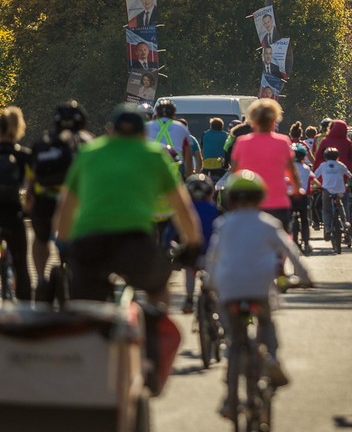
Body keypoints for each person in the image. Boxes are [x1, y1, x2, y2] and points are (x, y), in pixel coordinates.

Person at [54, 103, 203, 306]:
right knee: (158, 290)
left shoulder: (88, 153)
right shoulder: (154, 155)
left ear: (110, 131)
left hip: (89, 240)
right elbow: (182, 208)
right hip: (134, 241)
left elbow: (66, 206)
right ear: (143, 133)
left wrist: (63, 244)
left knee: (84, 305)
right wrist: (193, 244)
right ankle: (155, 323)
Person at [206, 170, 313, 417]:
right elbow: (291, 251)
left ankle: (230, 398)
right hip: (259, 289)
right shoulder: (268, 224)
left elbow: (213, 258)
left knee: (234, 341)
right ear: (260, 197)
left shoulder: (223, 225)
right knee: (266, 323)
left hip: (230, 290)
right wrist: (305, 277)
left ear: (231, 198)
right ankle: (271, 358)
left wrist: (210, 284)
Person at [26, 101, 93, 295]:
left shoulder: (43, 142)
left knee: (40, 239)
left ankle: (40, 279)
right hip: (77, 203)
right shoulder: (89, 142)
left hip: (45, 199)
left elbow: (32, 174)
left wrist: (29, 197)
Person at [230, 98, 300, 231]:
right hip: (278, 204)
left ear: (253, 121)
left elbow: (234, 172)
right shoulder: (283, 142)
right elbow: (291, 171)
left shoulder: (242, 142)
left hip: (249, 205)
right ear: (274, 120)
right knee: (281, 240)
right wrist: (297, 189)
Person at [0, 107, 32, 302]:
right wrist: (28, 209)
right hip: (13, 214)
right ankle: (25, 305)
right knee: (21, 265)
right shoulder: (24, 156)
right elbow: (33, 188)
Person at [179, 174, 220, 314]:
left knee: (189, 270)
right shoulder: (216, 210)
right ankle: (217, 299)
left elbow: (170, 233)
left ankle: (189, 298)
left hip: (193, 254)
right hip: (213, 256)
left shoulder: (185, 211)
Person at [313, 146, 352, 242]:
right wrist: (348, 185)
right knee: (340, 206)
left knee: (326, 210)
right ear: (337, 157)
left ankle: (327, 229)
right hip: (340, 191)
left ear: (325, 157)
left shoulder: (323, 165)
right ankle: (345, 223)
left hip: (327, 190)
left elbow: (314, 176)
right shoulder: (341, 165)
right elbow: (350, 176)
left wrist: (316, 186)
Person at [145, 99, 194, 175]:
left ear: (157, 114)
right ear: (173, 114)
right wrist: (188, 177)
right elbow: (189, 157)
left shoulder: (147, 126)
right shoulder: (182, 127)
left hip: (152, 167)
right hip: (176, 167)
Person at [289, 143, 312, 255]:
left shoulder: (287, 168)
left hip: (289, 196)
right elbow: (312, 180)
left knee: (287, 218)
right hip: (302, 197)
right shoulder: (306, 168)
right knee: (304, 220)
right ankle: (306, 243)